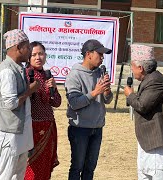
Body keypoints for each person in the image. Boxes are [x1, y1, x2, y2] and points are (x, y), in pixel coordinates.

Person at [124, 44, 163, 180]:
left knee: (157, 172)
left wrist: (130, 95)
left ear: (140, 68)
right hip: (149, 140)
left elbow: (142, 105)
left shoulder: (155, 81)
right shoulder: (150, 79)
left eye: (133, 67)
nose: (132, 71)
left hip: (157, 142)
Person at [0, 29, 40, 180]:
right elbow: (10, 103)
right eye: (27, 47)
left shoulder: (18, 68)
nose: (30, 50)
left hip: (19, 133)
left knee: (17, 176)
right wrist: (30, 91)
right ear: (18, 47)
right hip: (9, 134)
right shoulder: (7, 72)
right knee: (4, 176)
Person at [64, 39, 113, 180]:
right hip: (80, 129)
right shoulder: (75, 75)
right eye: (100, 54)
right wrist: (95, 92)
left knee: (90, 168)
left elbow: (108, 100)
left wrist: (106, 91)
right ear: (88, 54)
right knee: (77, 167)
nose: (102, 58)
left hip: (97, 128)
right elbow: (74, 103)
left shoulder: (100, 73)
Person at [24, 41, 62, 180]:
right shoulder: (27, 75)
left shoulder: (47, 75)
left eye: (41, 54)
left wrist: (52, 87)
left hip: (49, 127)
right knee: (30, 168)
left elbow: (57, 102)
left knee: (45, 166)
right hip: (32, 128)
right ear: (28, 57)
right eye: (34, 55)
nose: (38, 57)